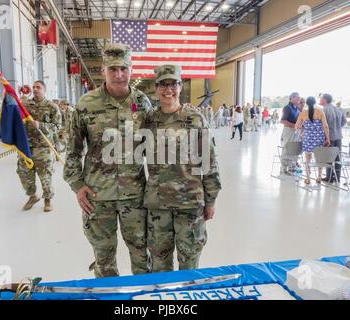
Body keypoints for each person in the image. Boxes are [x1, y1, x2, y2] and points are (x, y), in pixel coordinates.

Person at [63, 44, 152, 278]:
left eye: (124, 68)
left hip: (135, 194)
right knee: (103, 256)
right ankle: (109, 296)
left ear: (131, 69)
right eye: (113, 69)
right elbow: (72, 150)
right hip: (97, 195)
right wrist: (76, 185)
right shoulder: (86, 104)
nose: (119, 74)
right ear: (103, 70)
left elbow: (154, 150)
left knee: (141, 253)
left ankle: (143, 298)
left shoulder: (143, 103)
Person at [143, 65, 221, 272]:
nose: (168, 89)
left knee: (189, 263)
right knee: (160, 263)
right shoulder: (149, 120)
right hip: (158, 205)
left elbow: (210, 163)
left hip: (190, 205)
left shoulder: (195, 120)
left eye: (173, 84)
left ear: (180, 86)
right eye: (163, 84)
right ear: (156, 87)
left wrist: (211, 200)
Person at [17, 80, 62, 212]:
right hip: (26, 146)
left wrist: (41, 125)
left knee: (45, 175)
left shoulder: (52, 107)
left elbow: (58, 127)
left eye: (38, 87)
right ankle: (32, 196)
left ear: (44, 90)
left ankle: (47, 200)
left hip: (43, 147)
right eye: (34, 87)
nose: (35, 89)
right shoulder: (25, 105)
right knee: (24, 173)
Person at [295, 97, 330, 185]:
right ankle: (318, 177)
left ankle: (307, 178)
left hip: (307, 139)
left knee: (308, 159)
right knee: (319, 159)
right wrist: (328, 138)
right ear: (315, 103)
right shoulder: (320, 112)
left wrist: (303, 131)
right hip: (319, 139)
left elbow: (296, 126)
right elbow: (326, 126)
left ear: (306, 103)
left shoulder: (303, 113)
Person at [321, 93, 347, 183]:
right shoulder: (338, 109)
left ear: (325, 100)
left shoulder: (324, 110)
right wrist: (338, 128)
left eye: (321, 98)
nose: (320, 100)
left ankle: (329, 177)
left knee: (329, 157)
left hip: (329, 137)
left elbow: (323, 125)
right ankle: (337, 177)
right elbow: (344, 121)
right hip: (339, 136)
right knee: (337, 157)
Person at [280, 92, 301, 174]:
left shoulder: (297, 108)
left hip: (295, 131)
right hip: (288, 130)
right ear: (292, 98)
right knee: (287, 148)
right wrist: (294, 125)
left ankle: (291, 166)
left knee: (294, 148)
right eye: (297, 97)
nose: (299, 99)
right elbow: (283, 121)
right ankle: (284, 168)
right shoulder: (287, 108)